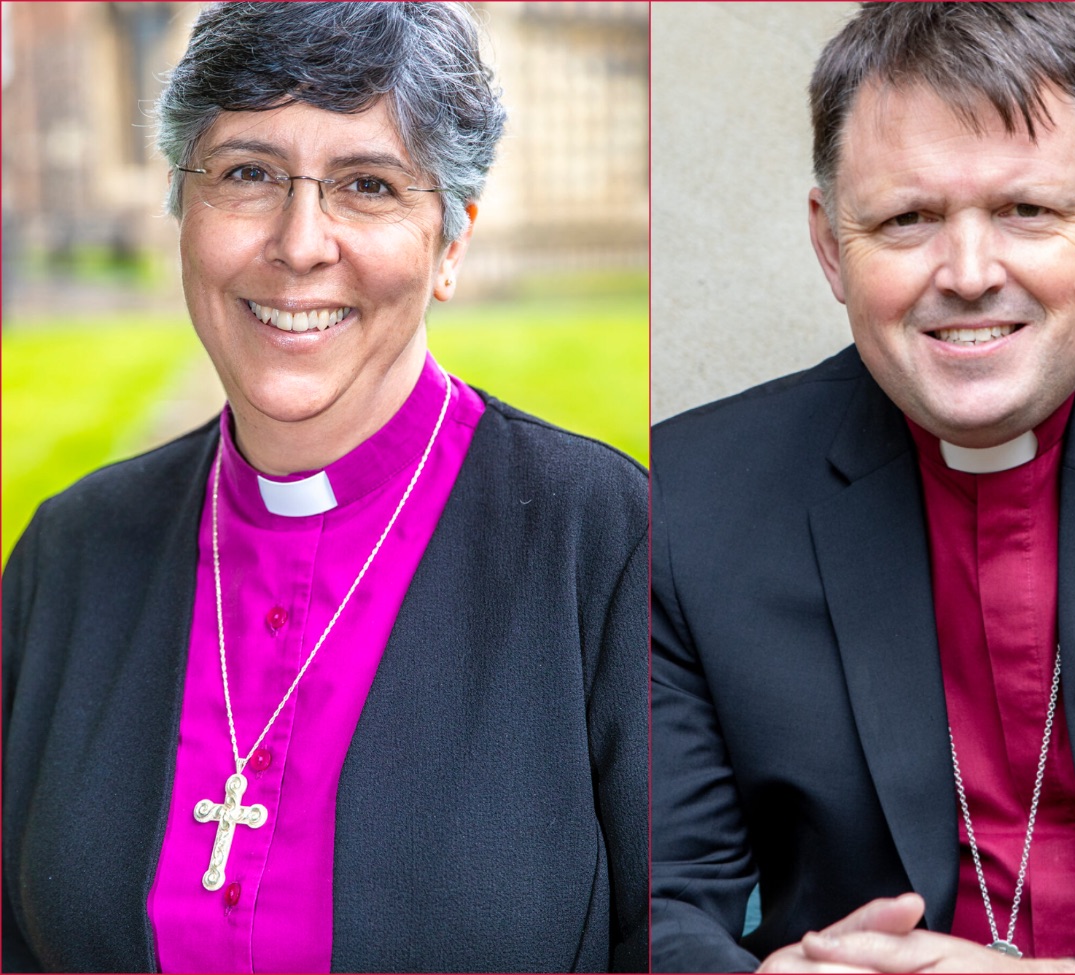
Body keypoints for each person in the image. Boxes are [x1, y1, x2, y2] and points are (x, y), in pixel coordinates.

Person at [650, 4, 1075, 973]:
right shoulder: (679, 506)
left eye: (1025, 211)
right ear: (832, 248)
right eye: (906, 219)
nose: (967, 273)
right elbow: (645, 895)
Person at [2, 4, 648, 972]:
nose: (300, 244)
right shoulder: (69, 552)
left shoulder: (603, 544)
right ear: (184, 208)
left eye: (368, 185)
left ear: (453, 241)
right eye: (248, 174)